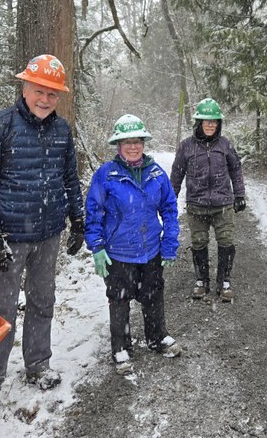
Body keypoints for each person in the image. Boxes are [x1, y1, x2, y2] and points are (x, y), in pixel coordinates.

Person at [0, 54, 85, 422]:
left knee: (42, 301)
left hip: (48, 235)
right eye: (38, 91)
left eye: (52, 93)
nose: (45, 99)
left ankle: (38, 364)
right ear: (24, 87)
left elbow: (70, 179)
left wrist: (77, 219)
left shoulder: (62, 130)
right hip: (9, 239)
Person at [84, 114, 181, 375]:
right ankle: (120, 347)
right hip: (119, 252)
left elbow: (170, 209)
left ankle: (157, 337)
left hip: (150, 249)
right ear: (118, 145)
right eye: (127, 141)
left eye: (137, 141)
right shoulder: (106, 175)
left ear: (143, 143)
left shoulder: (157, 173)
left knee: (153, 295)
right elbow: (93, 213)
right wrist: (97, 247)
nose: (133, 146)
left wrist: (169, 242)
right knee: (119, 299)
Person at [170, 98, 246, 302]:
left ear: (219, 124)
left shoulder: (225, 144)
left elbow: (236, 169)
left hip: (223, 204)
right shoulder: (186, 146)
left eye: (214, 121)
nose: (211, 125)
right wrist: (170, 199)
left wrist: (239, 195)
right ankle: (202, 280)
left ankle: (224, 281)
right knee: (198, 242)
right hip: (196, 205)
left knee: (226, 241)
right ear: (199, 123)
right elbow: (177, 174)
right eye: (207, 121)